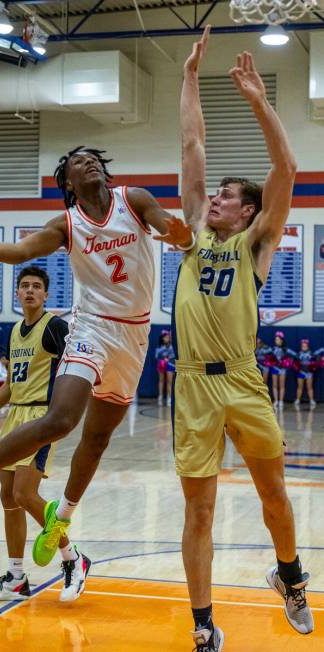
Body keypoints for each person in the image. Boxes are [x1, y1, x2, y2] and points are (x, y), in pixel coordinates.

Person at [0, 144, 189, 568]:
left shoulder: (134, 199)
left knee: (98, 438)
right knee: (62, 419)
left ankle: (60, 520)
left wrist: (181, 236)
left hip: (135, 335)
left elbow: (168, 226)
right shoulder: (67, 224)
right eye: (75, 162)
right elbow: (20, 252)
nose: (87, 162)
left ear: (103, 170)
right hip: (90, 326)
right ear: (68, 182)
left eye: (93, 158)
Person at [169, 26, 313, 651]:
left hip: (244, 379)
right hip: (193, 384)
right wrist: (191, 76)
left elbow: (287, 168)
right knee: (197, 511)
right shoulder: (198, 233)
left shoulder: (256, 243)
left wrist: (258, 98)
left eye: (227, 196)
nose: (216, 200)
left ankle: (291, 578)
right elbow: (192, 140)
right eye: (217, 194)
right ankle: (203, 626)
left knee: (275, 498)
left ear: (247, 212)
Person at [0, 266, 90, 603]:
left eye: (37, 286)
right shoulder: (13, 331)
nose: (30, 291)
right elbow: (11, 384)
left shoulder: (55, 327)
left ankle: (72, 558)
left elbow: (78, 365)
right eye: (24, 286)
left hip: (41, 417)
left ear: (47, 294)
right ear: (17, 293)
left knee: (25, 493)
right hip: (15, 417)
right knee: (8, 497)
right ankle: (16, 577)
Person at [270, 331, 295, 409]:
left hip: (282, 369)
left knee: (281, 385)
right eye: (275, 339)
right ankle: (276, 400)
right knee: (274, 385)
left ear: (281, 340)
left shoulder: (285, 349)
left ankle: (281, 401)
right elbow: (267, 355)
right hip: (274, 368)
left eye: (277, 339)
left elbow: (295, 355)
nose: (276, 341)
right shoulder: (273, 348)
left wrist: (288, 361)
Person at [294, 339, 317, 410]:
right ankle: (297, 399)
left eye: (305, 346)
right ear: (301, 346)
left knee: (309, 387)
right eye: (302, 346)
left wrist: (313, 367)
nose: (304, 347)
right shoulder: (299, 354)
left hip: (309, 373)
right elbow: (295, 362)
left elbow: (315, 362)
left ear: (307, 346)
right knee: (299, 387)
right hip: (301, 372)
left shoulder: (311, 354)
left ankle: (311, 400)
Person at [154, 329, 175, 406]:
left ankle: (169, 398)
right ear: (162, 338)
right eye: (165, 337)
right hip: (162, 364)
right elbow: (156, 356)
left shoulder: (172, 346)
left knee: (169, 382)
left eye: (168, 337)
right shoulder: (160, 347)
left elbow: (173, 355)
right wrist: (163, 359)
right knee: (161, 380)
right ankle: (160, 396)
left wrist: (168, 358)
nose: (167, 338)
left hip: (170, 364)